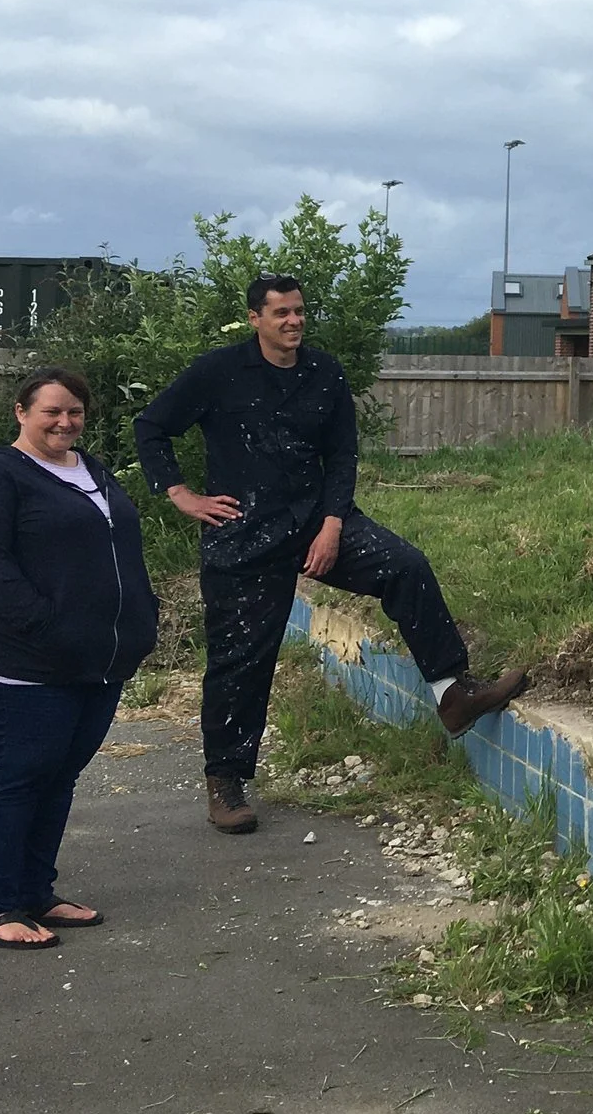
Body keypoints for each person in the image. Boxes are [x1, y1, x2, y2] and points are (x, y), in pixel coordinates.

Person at [133, 274, 527, 834]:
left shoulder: (324, 373)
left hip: (314, 521)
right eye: (280, 314)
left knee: (405, 566)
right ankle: (225, 781)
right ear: (255, 319)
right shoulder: (216, 373)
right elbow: (151, 426)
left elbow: (343, 452)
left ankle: (453, 694)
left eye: (298, 312)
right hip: (241, 534)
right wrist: (179, 493)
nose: (292, 322)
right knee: (239, 660)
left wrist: (334, 524)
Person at [0, 367, 160, 949]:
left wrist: (143, 617)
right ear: (21, 413)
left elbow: (117, 553)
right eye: (52, 412)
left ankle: (35, 891)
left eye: (75, 412)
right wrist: (44, 625)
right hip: (18, 662)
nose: (65, 422)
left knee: (58, 776)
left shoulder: (90, 469)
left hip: (93, 661)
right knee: (15, 778)